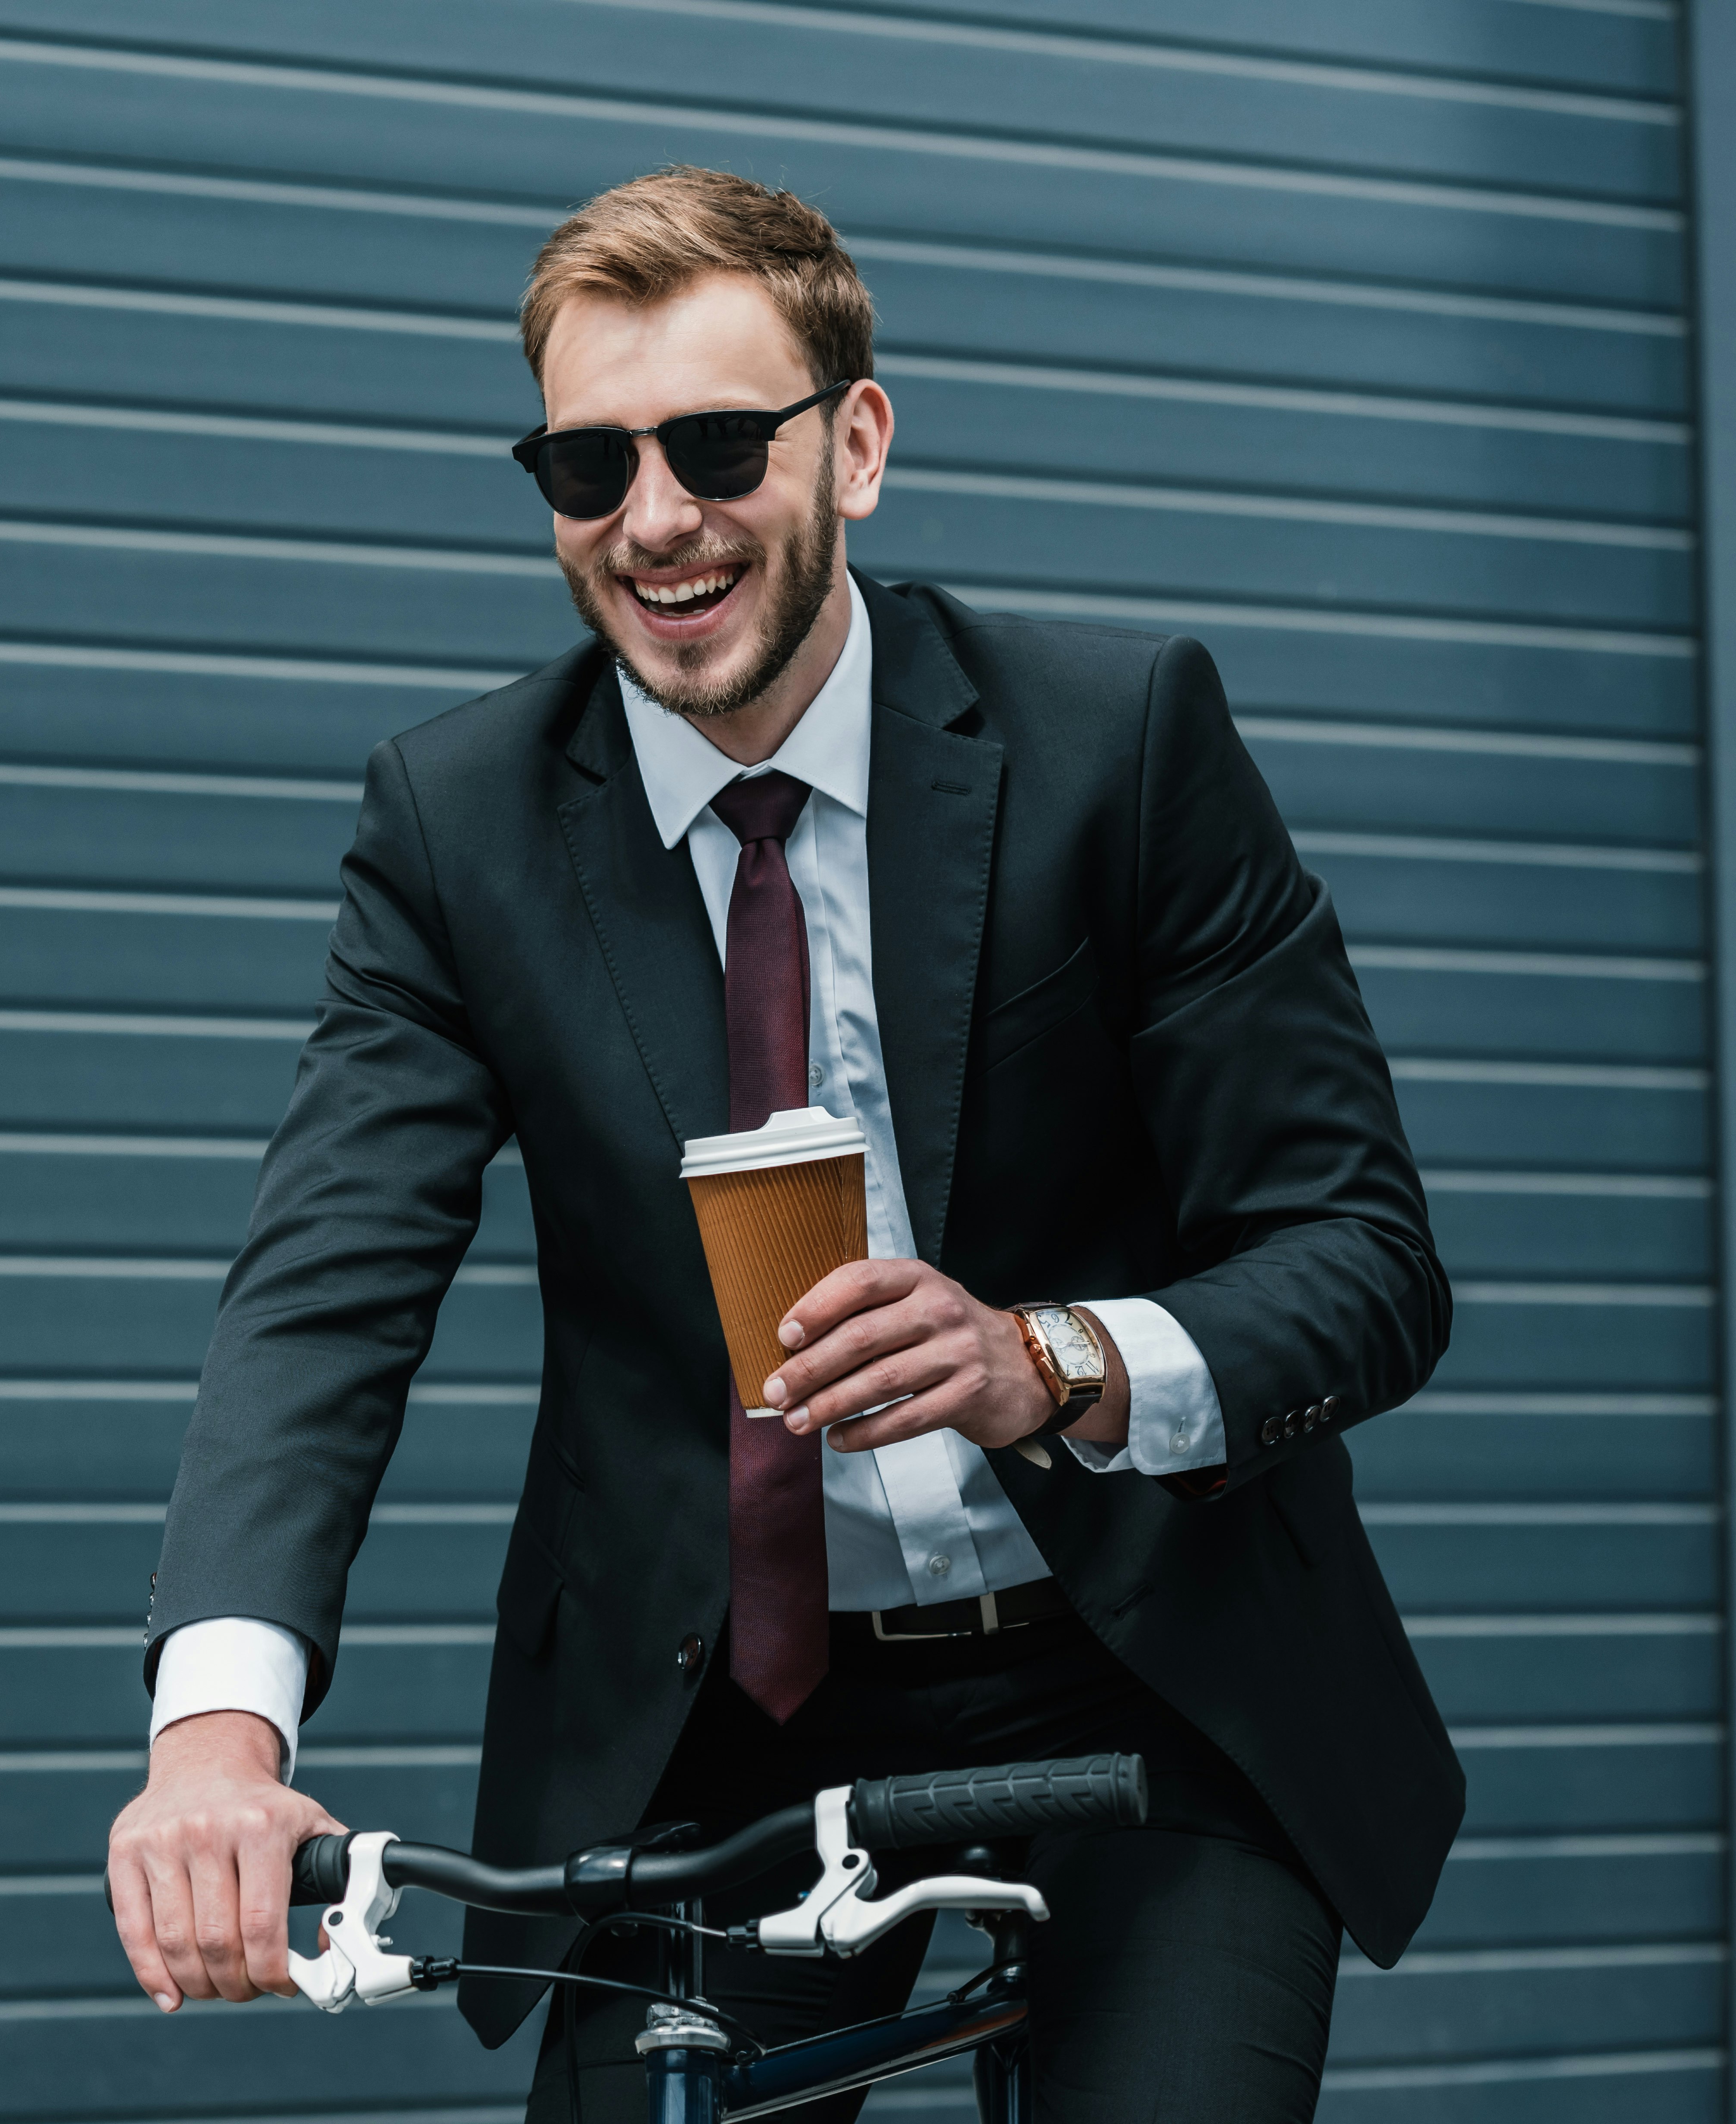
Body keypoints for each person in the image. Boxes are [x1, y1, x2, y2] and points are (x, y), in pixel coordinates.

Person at [103, 166, 1457, 2122]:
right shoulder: (456, 825)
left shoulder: (1120, 743)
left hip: (1142, 1686)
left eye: (720, 446)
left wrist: (1044, 1361)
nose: (655, 521)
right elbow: (322, 1294)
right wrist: (213, 1736)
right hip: (718, 1724)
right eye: (588, 468)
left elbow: (1360, 1258)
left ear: (857, 446)